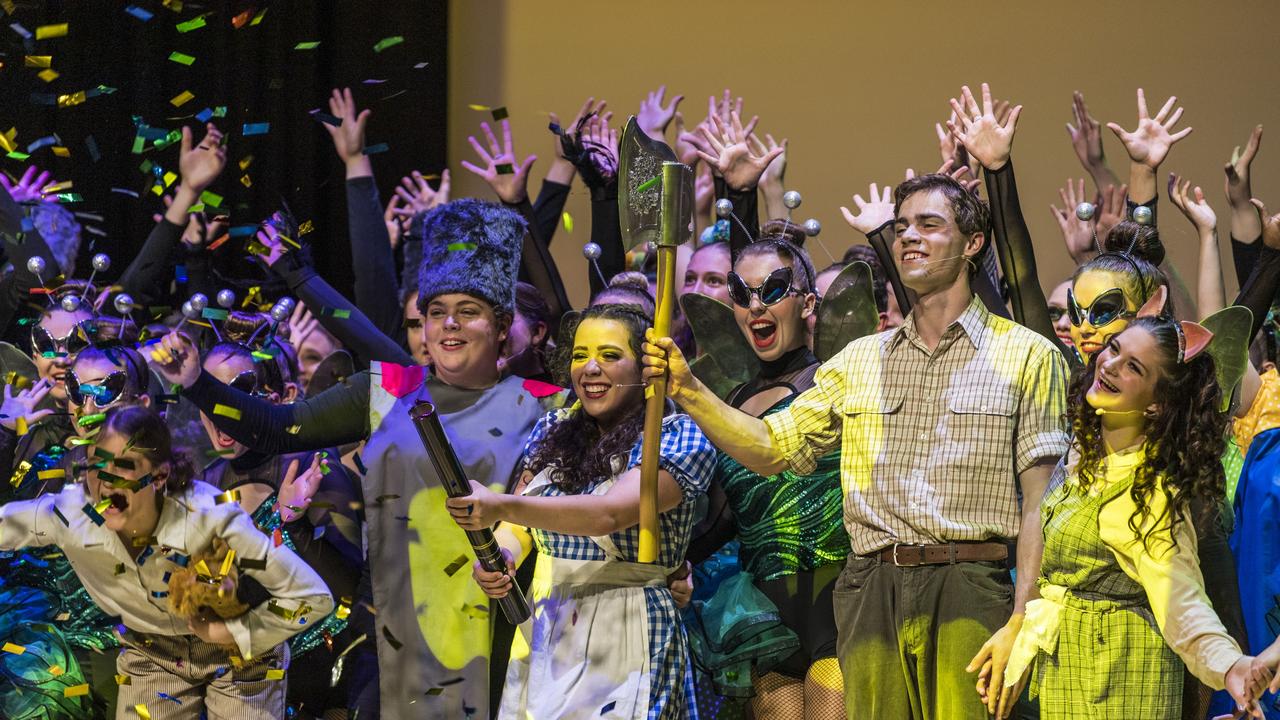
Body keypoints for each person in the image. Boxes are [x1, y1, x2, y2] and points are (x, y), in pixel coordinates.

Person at [644, 168, 1070, 719]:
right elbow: (771, 449)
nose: (909, 236)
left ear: (973, 243)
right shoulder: (858, 361)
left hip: (970, 585)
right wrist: (689, 388)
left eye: (929, 224)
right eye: (901, 228)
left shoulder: (1030, 356)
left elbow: (1042, 503)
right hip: (872, 589)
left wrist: (1022, 619)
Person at [150, 198, 565, 719]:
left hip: (500, 631)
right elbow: (278, 428)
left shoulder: (548, 403)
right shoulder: (391, 388)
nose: (449, 326)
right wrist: (197, 384)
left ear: (502, 326)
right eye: (436, 313)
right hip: (392, 639)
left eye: (470, 311)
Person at [449, 303, 715, 719]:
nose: (590, 368)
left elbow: (609, 514)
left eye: (610, 356)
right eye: (579, 355)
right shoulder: (554, 428)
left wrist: (498, 504)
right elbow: (519, 523)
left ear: (644, 368)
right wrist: (500, 554)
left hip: (626, 626)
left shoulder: (677, 435)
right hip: (548, 625)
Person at [1001, 317, 1267, 718]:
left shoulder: (1147, 491)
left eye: (1133, 367)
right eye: (1114, 348)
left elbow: (1181, 598)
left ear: (1157, 402)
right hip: (1075, 667)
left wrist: (1231, 666)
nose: (1110, 364)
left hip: (1119, 677)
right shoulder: (1088, 451)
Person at [0, 405, 333, 717]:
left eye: (123, 467)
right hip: (152, 654)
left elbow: (311, 598)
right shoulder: (71, 516)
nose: (104, 483)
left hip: (241, 657)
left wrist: (233, 631)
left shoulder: (210, 518)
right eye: (95, 466)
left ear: (159, 477)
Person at [686, 235, 849, 716]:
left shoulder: (833, 383)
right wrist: (667, 563)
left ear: (808, 303)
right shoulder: (730, 405)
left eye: (774, 289)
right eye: (741, 292)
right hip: (766, 619)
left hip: (837, 604)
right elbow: (725, 519)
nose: (757, 305)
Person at [196, 313, 364, 719]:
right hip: (232, 682)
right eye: (209, 394)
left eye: (239, 391)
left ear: (282, 396)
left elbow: (349, 594)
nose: (221, 410)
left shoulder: (312, 469)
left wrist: (294, 523)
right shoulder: (205, 483)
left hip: (315, 686)